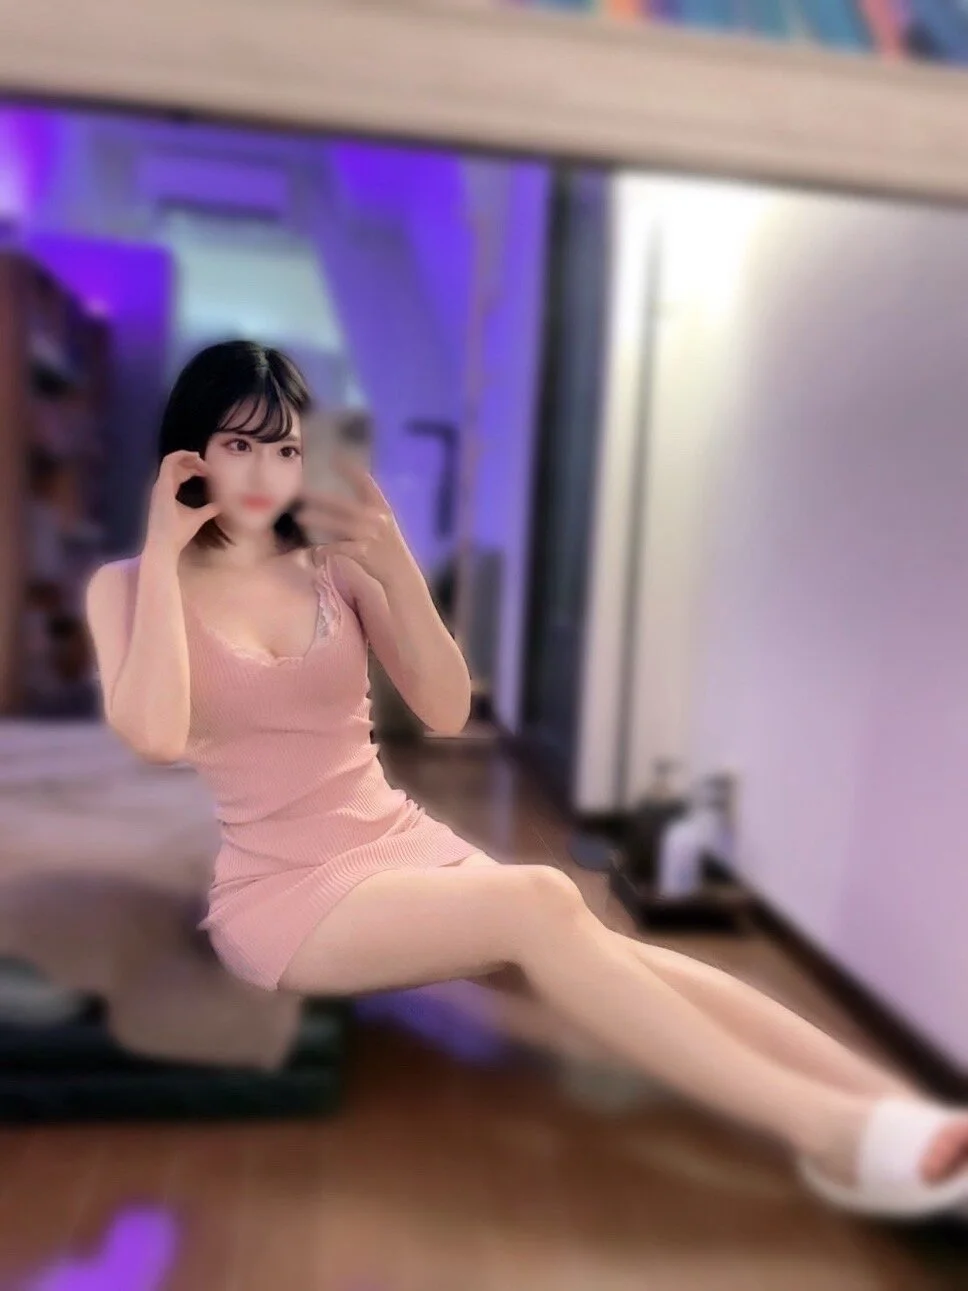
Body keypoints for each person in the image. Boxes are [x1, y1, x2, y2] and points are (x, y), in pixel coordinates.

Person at [84, 340, 968, 1220]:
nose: (264, 472)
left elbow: (445, 710)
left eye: (285, 448)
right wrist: (164, 552)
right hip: (284, 893)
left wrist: (395, 563)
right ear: (190, 452)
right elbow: (156, 735)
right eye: (239, 444)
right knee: (542, 899)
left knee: (622, 955)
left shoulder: (332, 565)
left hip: (399, 841)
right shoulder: (126, 587)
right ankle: (834, 1132)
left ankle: (900, 1112)